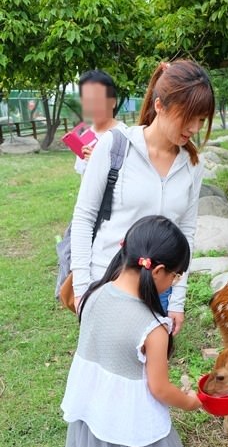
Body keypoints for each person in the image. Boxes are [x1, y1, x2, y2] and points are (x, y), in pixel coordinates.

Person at [60, 215, 228, 447]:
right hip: (136, 422)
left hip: (96, 416)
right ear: (156, 272)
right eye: (175, 276)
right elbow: (159, 388)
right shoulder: (152, 327)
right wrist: (191, 400)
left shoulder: (94, 293)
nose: (174, 283)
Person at [70, 59, 215, 331]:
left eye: (202, 119)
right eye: (189, 116)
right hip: (107, 283)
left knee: (149, 372)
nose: (195, 127)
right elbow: (83, 218)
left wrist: (177, 301)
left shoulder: (193, 165)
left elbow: (186, 233)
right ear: (159, 106)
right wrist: (82, 290)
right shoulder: (115, 146)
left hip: (160, 291)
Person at [74, 70, 127, 176]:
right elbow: (84, 178)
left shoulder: (124, 135)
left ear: (112, 102)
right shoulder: (85, 137)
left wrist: (99, 161)